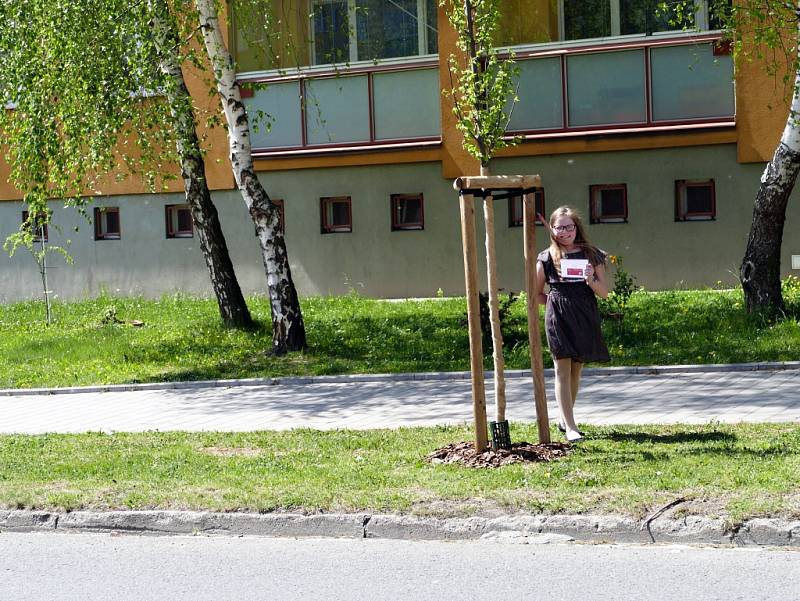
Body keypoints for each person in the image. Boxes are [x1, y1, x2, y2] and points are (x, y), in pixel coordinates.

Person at [534, 206, 610, 442]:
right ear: (552, 229)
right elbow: (535, 293)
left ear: (577, 227)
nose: (565, 232)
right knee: (562, 370)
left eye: (569, 227)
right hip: (558, 315)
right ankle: (570, 427)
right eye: (559, 227)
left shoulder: (591, 254)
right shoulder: (546, 257)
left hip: (584, 314)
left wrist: (590, 279)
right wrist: (554, 305)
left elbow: (604, 292)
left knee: (576, 370)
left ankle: (564, 418)